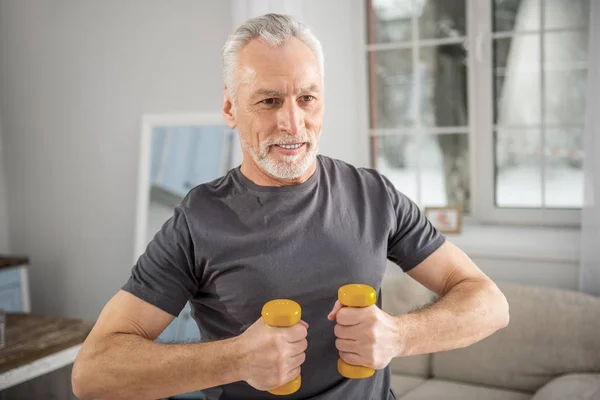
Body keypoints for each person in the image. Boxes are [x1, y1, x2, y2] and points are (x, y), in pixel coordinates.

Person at [72, 13, 509, 400]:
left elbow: (489, 303)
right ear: (231, 107)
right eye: (269, 100)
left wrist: (399, 335)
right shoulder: (198, 220)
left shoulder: (373, 194)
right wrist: (236, 359)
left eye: (307, 98)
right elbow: (93, 374)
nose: (292, 122)